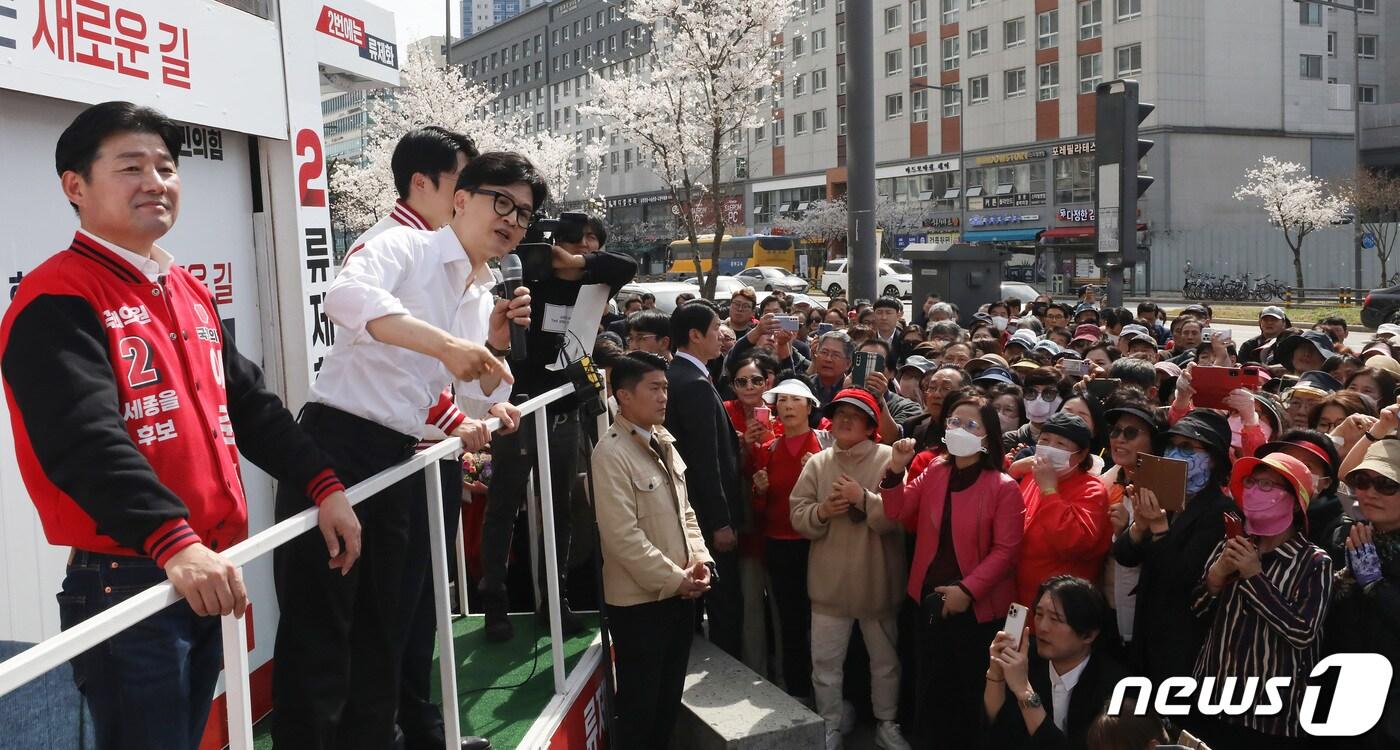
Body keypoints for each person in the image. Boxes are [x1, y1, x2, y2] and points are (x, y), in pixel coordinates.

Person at [0, 100, 357, 750]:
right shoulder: (58, 297)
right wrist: (173, 540)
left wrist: (322, 482)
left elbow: (247, 404)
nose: (155, 182)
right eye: (131, 167)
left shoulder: (183, 286)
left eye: (165, 167)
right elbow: (83, 441)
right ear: (75, 187)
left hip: (203, 565)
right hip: (130, 577)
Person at [271, 152, 533, 749]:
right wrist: (447, 349)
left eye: (523, 213)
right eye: (502, 202)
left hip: (400, 460)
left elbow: (453, 389)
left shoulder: (476, 290)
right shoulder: (401, 246)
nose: (512, 220)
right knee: (321, 635)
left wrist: (486, 403)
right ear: (458, 197)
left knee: (385, 633)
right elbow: (346, 298)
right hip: (339, 447)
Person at [353, 126, 496, 750]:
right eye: (463, 187)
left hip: (421, 450)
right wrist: (456, 414)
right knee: (392, 615)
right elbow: (391, 363)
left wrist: (465, 412)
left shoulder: (440, 255)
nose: (471, 204)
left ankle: (423, 731)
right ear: (424, 184)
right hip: (385, 453)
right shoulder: (391, 246)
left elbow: (437, 373)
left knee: (418, 608)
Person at [478, 212, 636, 643]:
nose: (591, 247)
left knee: (561, 509)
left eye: (594, 242)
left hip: (565, 411)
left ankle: (556, 599)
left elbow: (625, 265)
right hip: (518, 408)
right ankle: (495, 599)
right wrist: (544, 261)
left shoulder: (595, 281)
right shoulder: (526, 277)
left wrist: (576, 263)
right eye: (583, 240)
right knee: (504, 505)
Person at [882, 390, 1024, 750]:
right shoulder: (935, 470)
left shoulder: (1003, 487)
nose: (960, 428)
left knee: (966, 693)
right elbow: (897, 511)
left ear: (988, 435)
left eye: (970, 424)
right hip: (927, 598)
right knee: (929, 686)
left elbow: (1006, 551)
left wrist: (968, 589)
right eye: (954, 422)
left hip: (975, 609)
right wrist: (895, 470)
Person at [591, 352, 713, 750]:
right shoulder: (610, 454)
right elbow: (622, 538)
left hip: (680, 595)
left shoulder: (663, 439)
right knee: (641, 710)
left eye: (665, 387)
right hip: (641, 604)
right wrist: (676, 580)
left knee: (666, 704)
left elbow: (685, 512)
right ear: (624, 396)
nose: (664, 396)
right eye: (654, 388)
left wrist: (700, 562)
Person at [789, 388, 909, 750]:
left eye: (854, 415)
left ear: (871, 425)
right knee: (825, 664)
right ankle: (830, 724)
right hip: (829, 585)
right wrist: (823, 511)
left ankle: (887, 722)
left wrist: (864, 499)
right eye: (839, 412)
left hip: (878, 582)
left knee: (885, 663)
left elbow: (895, 518)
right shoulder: (818, 462)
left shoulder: (890, 460)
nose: (844, 420)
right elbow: (797, 514)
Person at [1193, 452, 1331, 749]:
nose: (1255, 491)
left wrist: (1255, 577)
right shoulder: (1231, 543)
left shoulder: (1314, 562)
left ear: (1295, 502)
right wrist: (1215, 578)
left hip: (1271, 716)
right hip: (1215, 698)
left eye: (1268, 485)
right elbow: (1196, 610)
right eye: (1251, 482)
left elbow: (1303, 632)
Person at [1113, 410, 1237, 690]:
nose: (1175, 454)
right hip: (1145, 628)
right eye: (1171, 446)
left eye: (1187, 447)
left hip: (1182, 640)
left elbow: (1183, 578)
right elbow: (1124, 556)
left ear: (1214, 458)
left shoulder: (1221, 511)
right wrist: (1139, 527)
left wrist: (1159, 529)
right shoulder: (1164, 495)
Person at [664, 301, 745, 657]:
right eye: (715, 330)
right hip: (704, 514)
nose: (721, 337)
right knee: (723, 600)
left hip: (690, 510)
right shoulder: (692, 382)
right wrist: (721, 521)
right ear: (695, 335)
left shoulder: (680, 375)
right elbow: (705, 459)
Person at [983, 576, 1130, 750]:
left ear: (1088, 635)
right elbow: (994, 733)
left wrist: (1024, 691)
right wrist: (996, 674)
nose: (1042, 627)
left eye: (1055, 619)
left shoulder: (1116, 685)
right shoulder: (1027, 659)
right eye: (1039, 614)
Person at [752, 378, 827, 701]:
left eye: (795, 400)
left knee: (823, 619)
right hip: (779, 543)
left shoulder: (824, 446)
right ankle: (798, 689)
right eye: (782, 400)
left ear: (810, 407)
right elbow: (760, 507)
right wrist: (759, 490)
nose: (787, 406)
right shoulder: (768, 449)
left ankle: (829, 690)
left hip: (817, 544)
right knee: (791, 620)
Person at [1328, 438, 1400, 750]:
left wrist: (1375, 585)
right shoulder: (1349, 534)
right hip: (1344, 697)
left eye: (1386, 485)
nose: (1370, 493)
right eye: (1363, 481)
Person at [1016, 413, 1113, 613]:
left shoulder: (1091, 490)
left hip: (1059, 608)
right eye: (1045, 440)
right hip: (1018, 602)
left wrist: (1049, 491)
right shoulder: (1032, 477)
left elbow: (1075, 543)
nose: (1050, 448)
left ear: (1080, 454)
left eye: (1060, 444)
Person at [724, 351, 779, 673]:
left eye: (756, 380)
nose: (749, 386)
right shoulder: (723, 413)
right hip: (741, 521)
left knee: (780, 606)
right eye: (741, 381)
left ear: (767, 382)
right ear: (732, 385)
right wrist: (743, 447)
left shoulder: (782, 412)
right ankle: (754, 668)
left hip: (775, 521)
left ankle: (785, 674)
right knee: (749, 606)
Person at [808, 330, 855, 406]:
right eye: (824, 352)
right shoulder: (804, 387)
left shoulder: (852, 392)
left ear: (848, 364)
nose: (828, 359)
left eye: (836, 355)